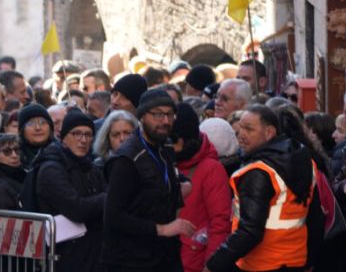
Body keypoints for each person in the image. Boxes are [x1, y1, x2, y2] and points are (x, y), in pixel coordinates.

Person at [205, 105, 322, 272]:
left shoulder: (258, 172)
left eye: (249, 129)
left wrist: (213, 265)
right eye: (241, 128)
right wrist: (309, 262)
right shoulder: (305, 162)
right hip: (295, 261)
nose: (241, 135)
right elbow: (315, 218)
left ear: (269, 132)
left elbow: (249, 232)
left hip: (262, 263)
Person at [102, 89, 194, 272]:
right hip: (132, 260)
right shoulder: (126, 159)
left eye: (170, 114)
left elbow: (160, 185)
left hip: (164, 254)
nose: (166, 121)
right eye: (158, 114)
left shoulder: (165, 147)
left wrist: (179, 186)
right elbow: (113, 216)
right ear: (142, 116)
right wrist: (162, 229)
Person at [35, 110, 106, 272]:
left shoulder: (90, 166)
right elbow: (77, 209)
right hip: (65, 254)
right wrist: (110, 197)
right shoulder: (51, 168)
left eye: (88, 135)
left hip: (92, 250)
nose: (83, 140)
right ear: (63, 137)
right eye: (76, 134)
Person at [169, 104, 230, 272]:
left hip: (193, 262)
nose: (167, 143)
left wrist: (211, 265)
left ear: (186, 138)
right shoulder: (163, 162)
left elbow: (220, 223)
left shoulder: (210, 168)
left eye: (172, 138)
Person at [18, 104, 55, 170]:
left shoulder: (62, 153)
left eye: (42, 122)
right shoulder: (13, 156)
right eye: (31, 123)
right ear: (22, 130)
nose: (38, 128)